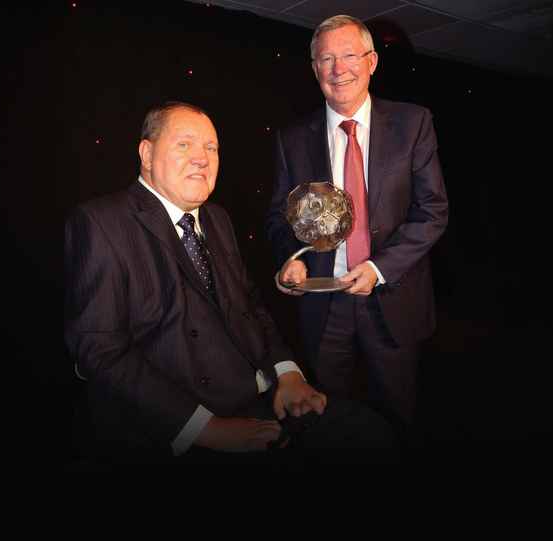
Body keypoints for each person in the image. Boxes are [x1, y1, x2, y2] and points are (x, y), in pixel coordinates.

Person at [64, 101, 328, 468]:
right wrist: (206, 429)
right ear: (146, 154)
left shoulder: (217, 219)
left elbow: (250, 305)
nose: (202, 158)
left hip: (264, 394)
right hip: (178, 425)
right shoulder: (101, 223)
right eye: (184, 144)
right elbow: (99, 350)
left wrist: (288, 373)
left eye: (211, 148)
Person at [266, 15, 449, 433]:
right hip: (323, 304)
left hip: (394, 299)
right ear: (314, 68)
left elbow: (433, 210)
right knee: (330, 420)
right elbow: (279, 217)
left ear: (372, 62)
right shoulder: (291, 139)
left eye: (349, 55)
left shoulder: (413, 123)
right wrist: (290, 259)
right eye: (326, 59)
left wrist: (379, 268)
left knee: (398, 419)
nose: (338, 69)